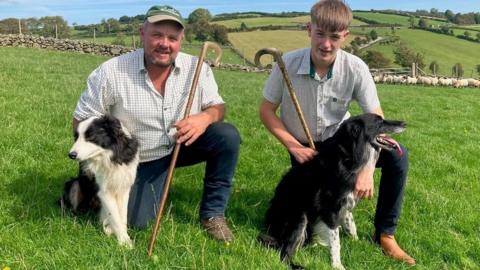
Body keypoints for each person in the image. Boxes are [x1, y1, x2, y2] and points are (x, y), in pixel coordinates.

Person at [259, 0, 415, 265]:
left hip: (338, 146)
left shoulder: (356, 68)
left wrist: (366, 168)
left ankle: (385, 234)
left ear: (346, 36)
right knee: (311, 212)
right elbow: (266, 111)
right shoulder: (286, 64)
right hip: (304, 149)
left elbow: (375, 121)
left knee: (398, 157)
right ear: (309, 29)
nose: (326, 44)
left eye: (334, 37)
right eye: (320, 34)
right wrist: (293, 146)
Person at [72, 5, 240, 242]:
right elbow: (82, 119)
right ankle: (95, 190)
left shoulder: (197, 67)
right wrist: (101, 162)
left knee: (227, 136)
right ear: (142, 33)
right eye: (157, 35)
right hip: (139, 158)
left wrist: (205, 118)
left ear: (181, 40)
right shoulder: (111, 72)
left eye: (173, 37)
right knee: (138, 222)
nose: (165, 43)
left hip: (182, 146)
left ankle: (213, 215)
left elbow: (218, 107)